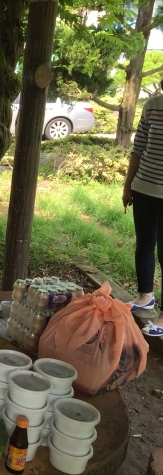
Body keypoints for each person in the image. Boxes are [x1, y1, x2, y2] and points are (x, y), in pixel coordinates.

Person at [123, 84, 163, 336]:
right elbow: (138, 148)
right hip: (144, 189)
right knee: (144, 246)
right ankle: (145, 296)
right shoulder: (153, 106)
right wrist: (128, 186)